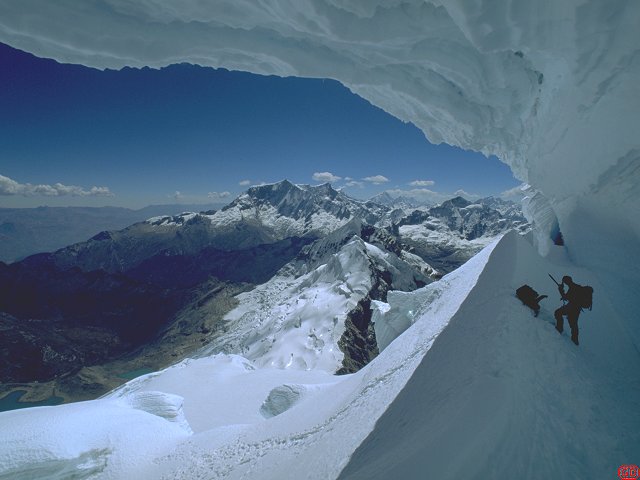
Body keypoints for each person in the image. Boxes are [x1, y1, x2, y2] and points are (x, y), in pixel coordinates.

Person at [554, 275, 585, 345]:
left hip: (572, 307)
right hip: (577, 309)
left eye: (564, 282)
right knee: (573, 323)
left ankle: (559, 328)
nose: (564, 283)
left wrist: (560, 290)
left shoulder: (572, 288)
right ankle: (575, 340)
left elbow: (566, 297)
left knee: (558, 312)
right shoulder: (576, 287)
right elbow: (568, 297)